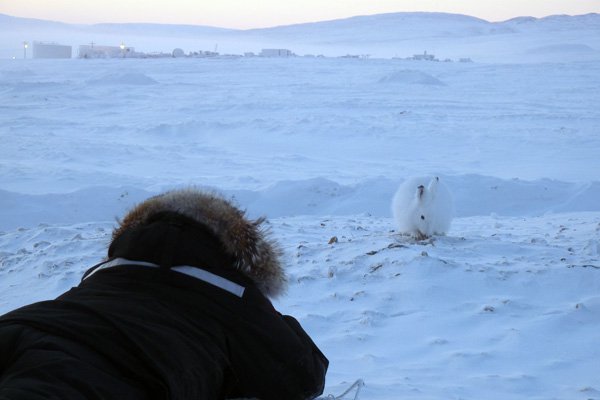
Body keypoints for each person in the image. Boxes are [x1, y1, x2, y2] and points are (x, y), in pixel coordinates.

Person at [0, 188, 328, 400]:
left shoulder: (105, 273)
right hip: (121, 367)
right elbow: (302, 378)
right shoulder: (228, 290)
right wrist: (263, 309)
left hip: (21, 325)